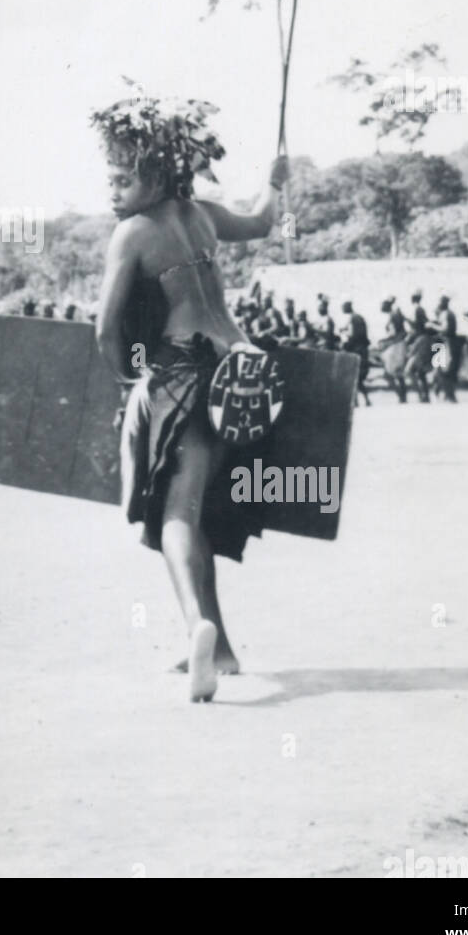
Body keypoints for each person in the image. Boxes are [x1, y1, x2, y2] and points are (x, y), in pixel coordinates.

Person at [92, 88, 288, 702]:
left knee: (175, 512)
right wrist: (274, 183)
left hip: (185, 372)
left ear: (155, 174)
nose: (113, 191)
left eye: (123, 178)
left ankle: (194, 627)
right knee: (200, 510)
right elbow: (259, 222)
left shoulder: (133, 233)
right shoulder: (202, 215)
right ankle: (222, 647)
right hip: (247, 374)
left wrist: (130, 378)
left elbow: (105, 327)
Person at [341, 300, 371, 407]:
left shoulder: (354, 318)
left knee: (355, 377)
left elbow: (354, 336)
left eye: (343, 307)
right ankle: (363, 400)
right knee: (356, 378)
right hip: (360, 350)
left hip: (358, 351)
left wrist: (345, 343)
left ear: (348, 307)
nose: (342, 309)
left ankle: (359, 401)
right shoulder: (356, 317)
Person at [433, 293, 461, 402]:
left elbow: (445, 329)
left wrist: (432, 326)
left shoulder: (446, 314)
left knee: (444, 370)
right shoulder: (449, 313)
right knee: (446, 370)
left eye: (440, 302)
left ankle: (450, 396)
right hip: (449, 342)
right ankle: (448, 395)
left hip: (447, 342)